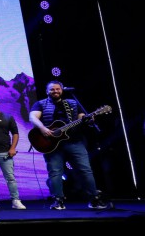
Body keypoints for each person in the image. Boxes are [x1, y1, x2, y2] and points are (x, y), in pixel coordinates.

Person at [29, 80, 108, 210]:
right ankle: (58, 200)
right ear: (47, 91)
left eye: (57, 89)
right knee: (55, 173)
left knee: (85, 170)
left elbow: (82, 116)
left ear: (62, 90)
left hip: (74, 141)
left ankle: (94, 198)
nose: (55, 91)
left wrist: (89, 119)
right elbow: (33, 117)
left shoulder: (72, 103)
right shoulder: (40, 104)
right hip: (51, 145)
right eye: (52, 89)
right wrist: (43, 129)